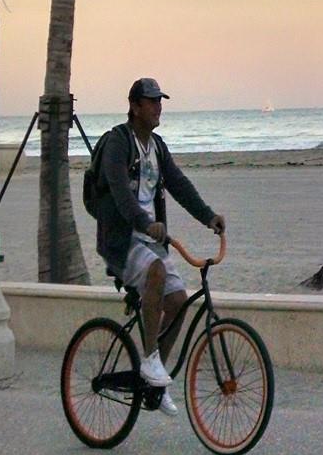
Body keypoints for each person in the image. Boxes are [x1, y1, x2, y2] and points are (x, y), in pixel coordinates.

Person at [91, 78, 225, 416]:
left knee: (178, 301)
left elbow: (179, 184)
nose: (158, 107)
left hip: (151, 240)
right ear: (135, 107)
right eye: (151, 101)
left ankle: (155, 381)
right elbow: (120, 193)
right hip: (121, 240)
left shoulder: (157, 146)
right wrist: (144, 222)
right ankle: (150, 359)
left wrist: (208, 217)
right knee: (155, 272)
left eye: (160, 101)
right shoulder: (118, 143)